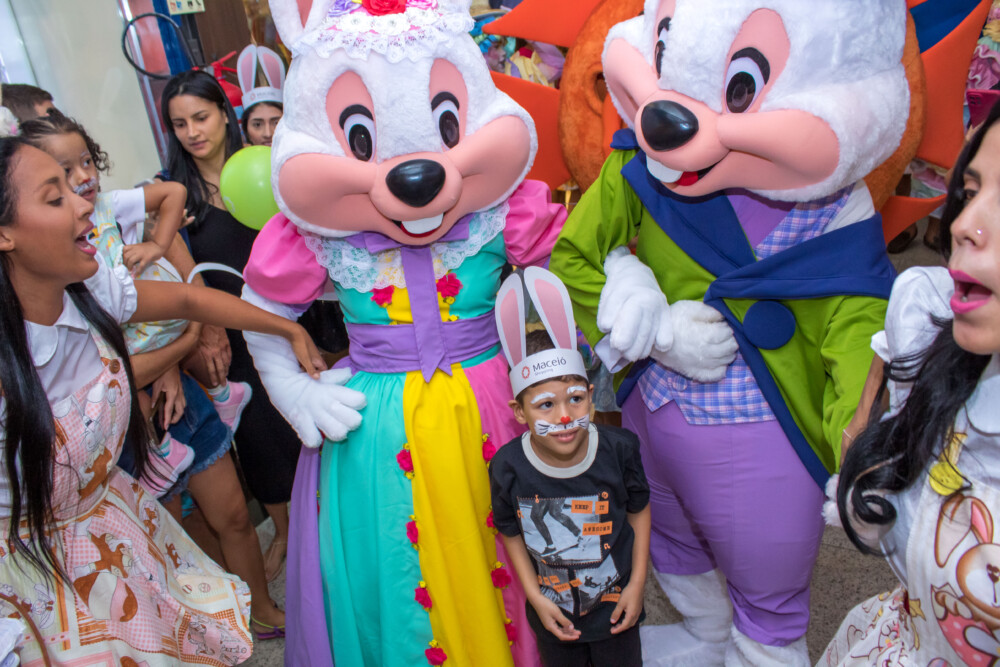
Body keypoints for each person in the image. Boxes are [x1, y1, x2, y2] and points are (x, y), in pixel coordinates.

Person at [0, 136, 324, 664]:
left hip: (115, 530)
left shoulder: (90, 293)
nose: (84, 203)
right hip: (36, 575)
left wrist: (286, 329)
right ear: (4, 234)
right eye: (55, 197)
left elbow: (190, 297)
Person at [823, 100, 1000, 665]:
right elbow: (894, 342)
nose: (963, 225)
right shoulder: (931, 314)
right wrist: (862, 425)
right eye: (971, 192)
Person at [158, 69, 298, 581]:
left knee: (307, 427)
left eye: (200, 117)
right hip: (229, 337)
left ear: (223, 113)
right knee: (260, 439)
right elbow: (174, 276)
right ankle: (284, 531)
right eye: (179, 124)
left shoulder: (265, 168)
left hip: (288, 317)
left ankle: (322, 525)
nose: (192, 132)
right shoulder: (172, 196)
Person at [489, 269, 650, 667]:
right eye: (545, 405)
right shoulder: (507, 466)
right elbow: (510, 531)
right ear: (519, 412)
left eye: (575, 399)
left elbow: (639, 510)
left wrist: (637, 584)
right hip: (554, 616)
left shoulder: (620, 449)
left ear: (591, 396)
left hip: (616, 612)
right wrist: (534, 596)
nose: (563, 416)